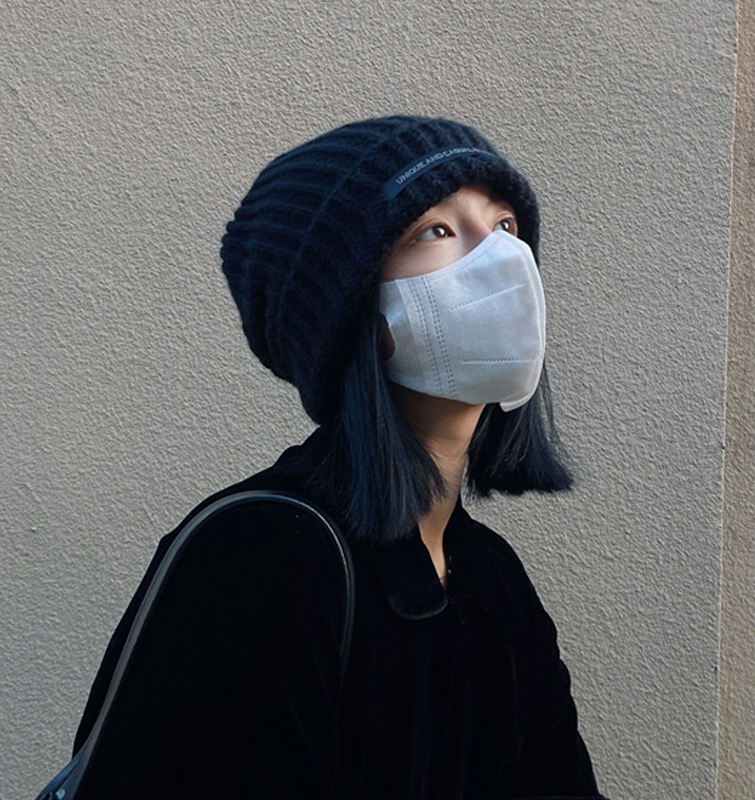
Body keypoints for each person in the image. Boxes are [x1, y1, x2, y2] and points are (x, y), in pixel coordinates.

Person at [70, 115, 608, 799]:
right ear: (352, 310)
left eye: (505, 224)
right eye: (435, 231)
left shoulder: (492, 579)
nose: (501, 258)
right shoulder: (263, 555)